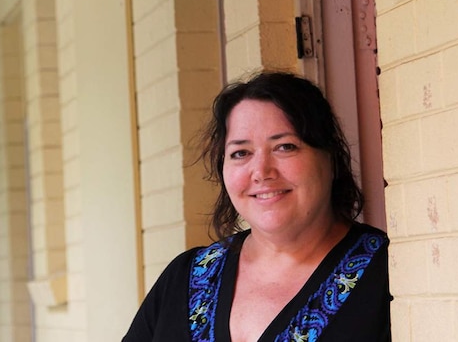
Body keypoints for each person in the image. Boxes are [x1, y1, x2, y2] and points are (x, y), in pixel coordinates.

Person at [123, 71, 391, 342]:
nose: (261, 172)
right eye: (241, 153)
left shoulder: (388, 274)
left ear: (330, 159)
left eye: (285, 147)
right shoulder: (184, 278)